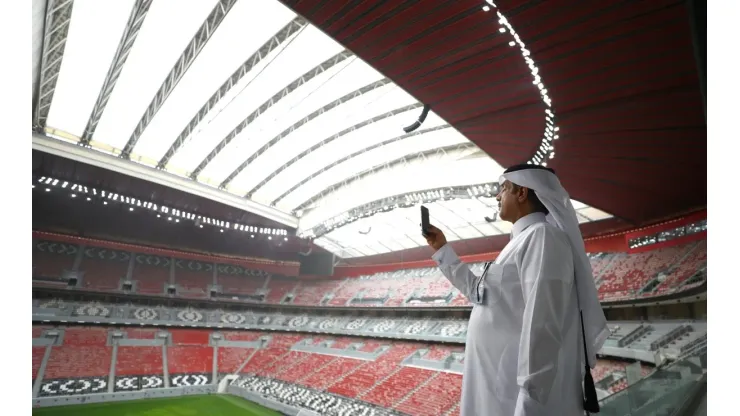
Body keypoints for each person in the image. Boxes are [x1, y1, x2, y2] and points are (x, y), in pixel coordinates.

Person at [425, 164, 609, 416]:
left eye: (503, 188)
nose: (497, 196)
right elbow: (480, 295)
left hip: (516, 397)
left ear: (522, 193)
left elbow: (542, 325)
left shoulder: (543, 238)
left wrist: (530, 401)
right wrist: (443, 250)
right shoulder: (521, 242)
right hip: (499, 388)